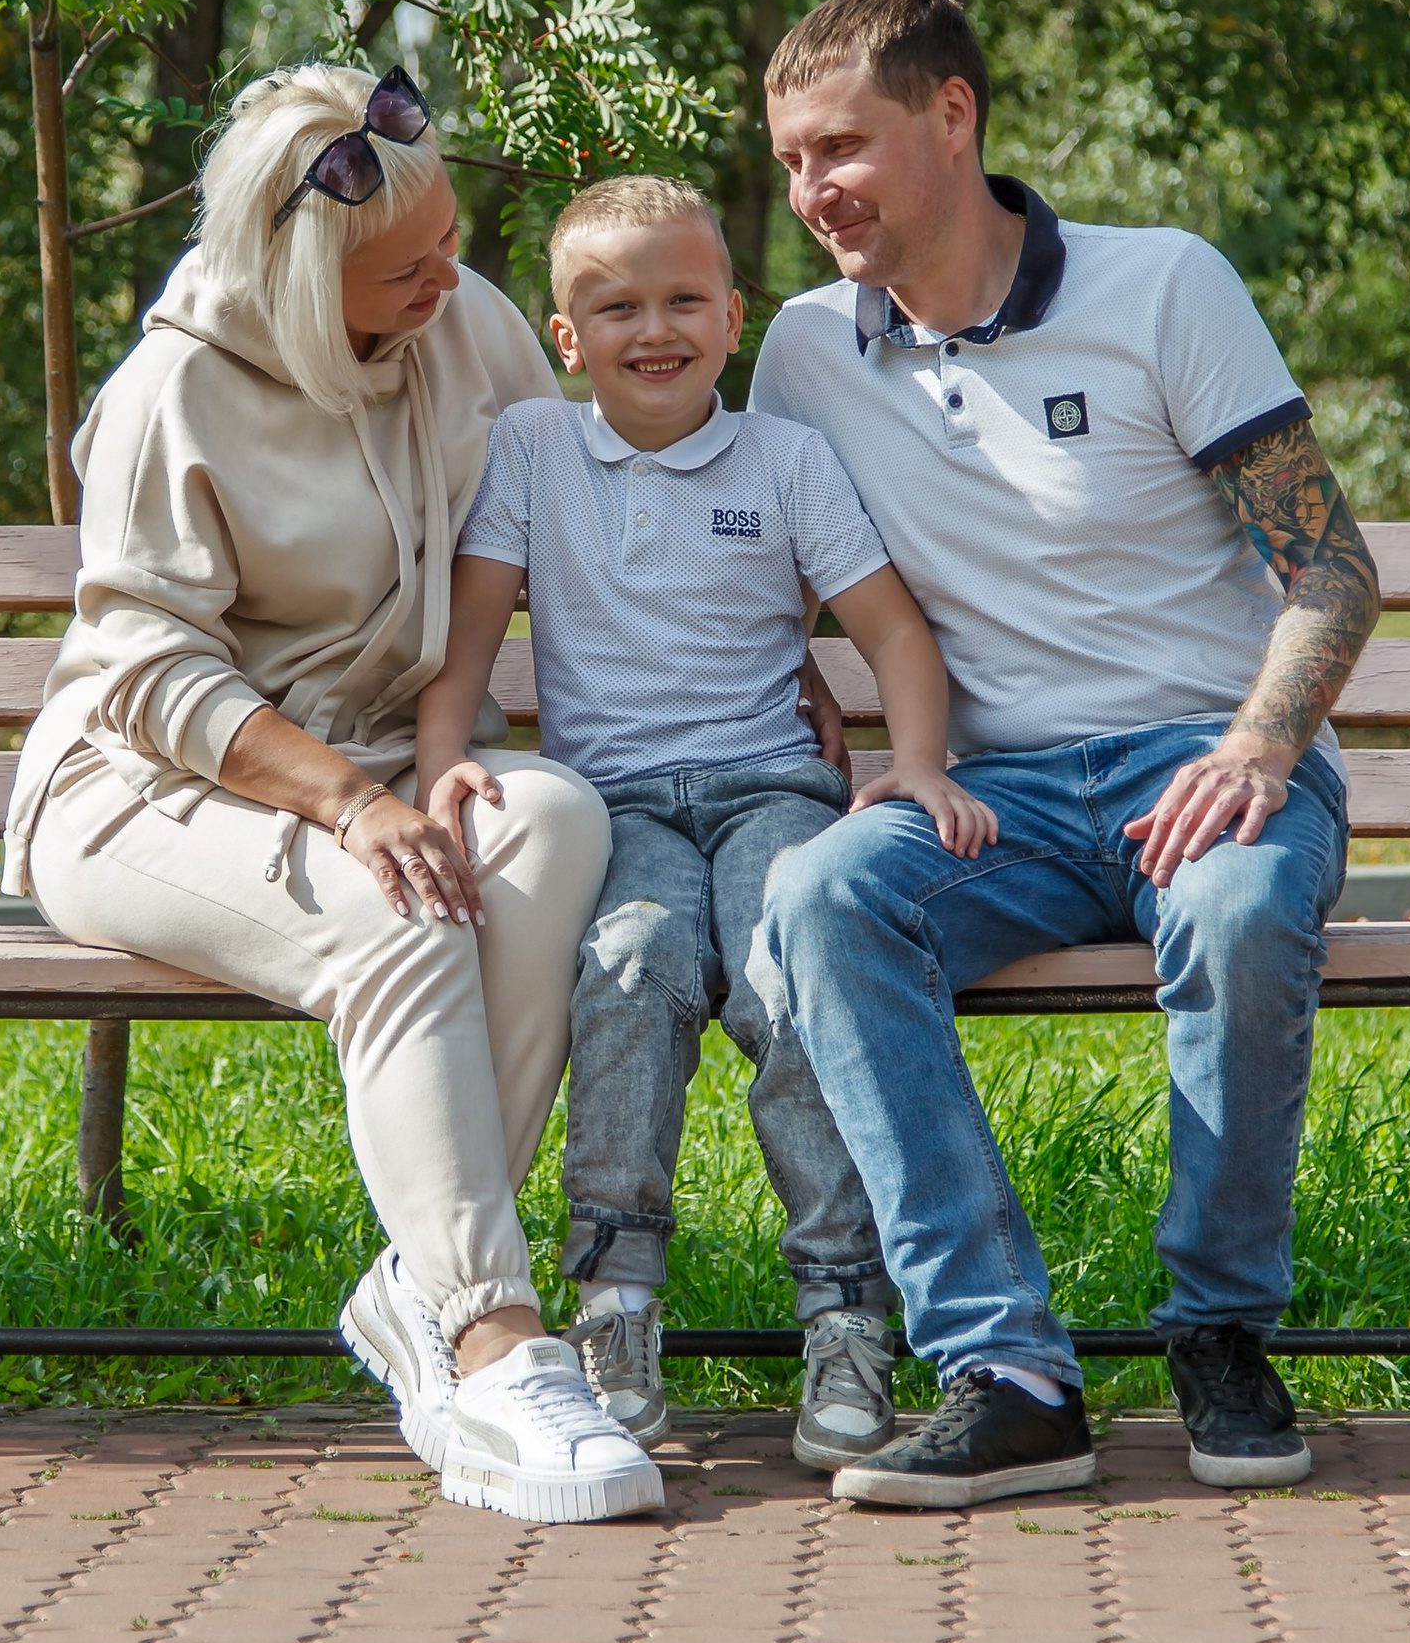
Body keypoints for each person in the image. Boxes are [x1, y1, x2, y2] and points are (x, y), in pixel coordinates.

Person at [749, 0, 1382, 1511]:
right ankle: (1010, 1373)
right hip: (997, 803)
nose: (814, 191)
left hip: (1204, 762)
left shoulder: (1162, 286)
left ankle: (1218, 1328)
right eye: (791, 162)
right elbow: (758, 577)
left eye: (842, 147)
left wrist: (1258, 749)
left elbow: (1332, 569)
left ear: (953, 115)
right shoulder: (805, 351)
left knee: (1239, 907)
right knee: (824, 897)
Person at [1, 63, 660, 1526]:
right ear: (302, 277)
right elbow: (145, 677)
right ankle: (492, 1340)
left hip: (389, 761)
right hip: (146, 786)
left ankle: (420, 1283)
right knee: (398, 910)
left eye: (449, 244)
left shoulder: (463, 323)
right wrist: (347, 808)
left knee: (554, 824)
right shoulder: (173, 393)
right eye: (406, 269)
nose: (449, 284)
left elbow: (577, 517)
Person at [415, 175, 995, 1470]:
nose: (654, 329)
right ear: (567, 338)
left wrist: (916, 765)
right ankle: (615, 1303)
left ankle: (844, 1312)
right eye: (615, 307)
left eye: (684, 300)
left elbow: (893, 631)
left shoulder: (785, 460)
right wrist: (445, 761)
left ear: (735, 318)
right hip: (614, 806)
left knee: (794, 986)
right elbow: (468, 641)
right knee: (629, 968)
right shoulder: (534, 449)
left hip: (770, 791)